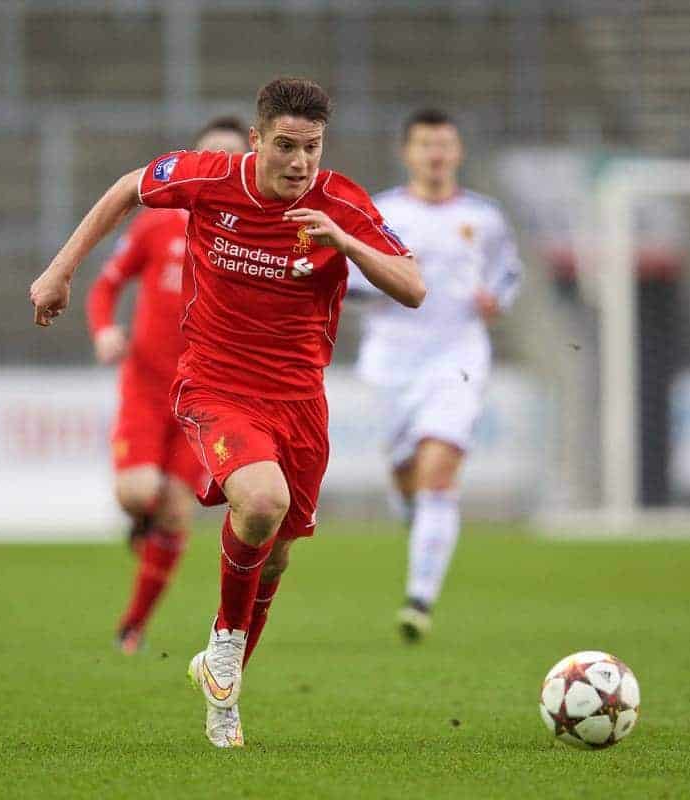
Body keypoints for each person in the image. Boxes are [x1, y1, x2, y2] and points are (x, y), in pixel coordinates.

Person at [29, 77, 425, 748]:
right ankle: (223, 674)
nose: (300, 163)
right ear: (256, 140)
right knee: (262, 502)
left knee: (276, 556)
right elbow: (130, 187)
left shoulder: (340, 201)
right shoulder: (211, 178)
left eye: (313, 148)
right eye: (286, 146)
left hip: (300, 402)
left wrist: (345, 243)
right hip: (215, 385)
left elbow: (414, 285)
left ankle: (223, 666)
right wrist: (61, 270)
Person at [348, 108, 522, 641]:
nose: (436, 153)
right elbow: (350, 281)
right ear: (408, 152)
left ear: (458, 151)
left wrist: (499, 297)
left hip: (458, 358)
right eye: (425, 144)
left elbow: (510, 271)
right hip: (392, 361)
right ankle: (421, 526)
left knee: (438, 473)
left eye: (445, 143)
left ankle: (419, 599)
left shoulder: (485, 218)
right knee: (407, 476)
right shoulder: (381, 212)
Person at [84, 117, 249, 655]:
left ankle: (132, 625)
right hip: (147, 385)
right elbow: (105, 288)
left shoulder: (251, 240)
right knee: (137, 494)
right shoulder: (157, 225)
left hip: (203, 396)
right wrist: (106, 330)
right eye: (209, 157)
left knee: (177, 509)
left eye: (230, 158)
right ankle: (145, 525)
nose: (218, 168)